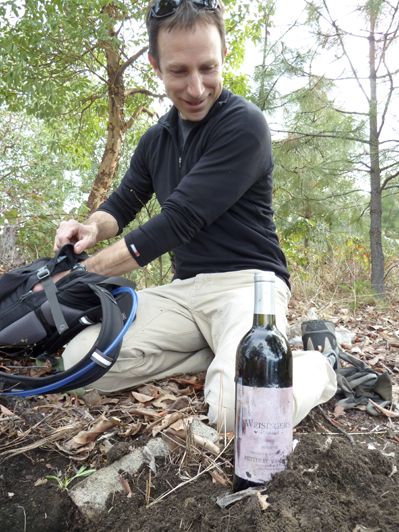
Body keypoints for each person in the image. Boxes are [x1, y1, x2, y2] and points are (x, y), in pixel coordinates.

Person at [57, 0, 337, 431]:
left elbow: (177, 222)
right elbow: (121, 204)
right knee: (80, 363)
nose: (196, 87)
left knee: (235, 412)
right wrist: (90, 227)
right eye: (179, 71)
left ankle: (320, 363)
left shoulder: (244, 126)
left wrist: (80, 274)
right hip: (184, 293)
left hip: (249, 285)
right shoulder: (156, 140)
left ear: (224, 55)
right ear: (155, 65)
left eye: (207, 67)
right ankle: (222, 352)